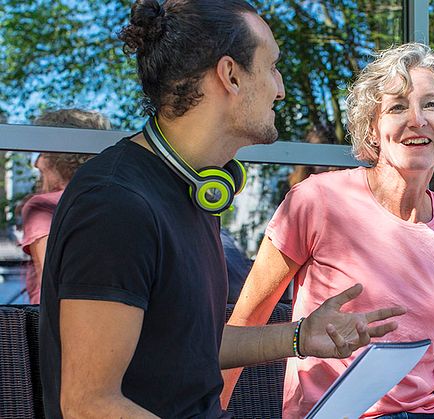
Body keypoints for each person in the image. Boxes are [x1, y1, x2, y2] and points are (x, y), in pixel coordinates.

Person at [38, 1, 404, 418]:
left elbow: (188, 346)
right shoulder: (115, 204)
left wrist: (300, 336)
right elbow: (89, 405)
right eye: (271, 68)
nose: (280, 88)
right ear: (230, 75)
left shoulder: (193, 191)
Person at [224, 43, 434, 419]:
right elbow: (245, 323)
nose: (417, 119)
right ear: (372, 128)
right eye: (398, 107)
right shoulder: (317, 201)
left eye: (431, 105)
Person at [18, 109, 111, 304]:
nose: (36, 163)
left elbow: (51, 283)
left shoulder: (42, 206)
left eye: (42, 153)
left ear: (58, 157)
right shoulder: (110, 199)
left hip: (55, 325)